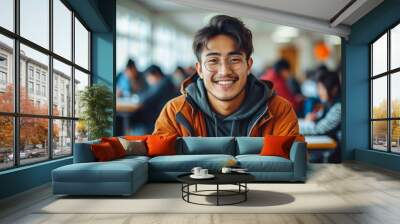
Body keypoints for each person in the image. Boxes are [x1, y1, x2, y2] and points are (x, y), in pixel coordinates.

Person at [152, 15, 303, 140]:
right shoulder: (176, 112)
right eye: (213, 61)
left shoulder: (279, 110)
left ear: (249, 65)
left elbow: (292, 167)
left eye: (234, 60)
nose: (224, 71)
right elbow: (160, 170)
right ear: (199, 70)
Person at [300, 70, 341, 138]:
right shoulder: (328, 103)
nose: (319, 92)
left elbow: (319, 129)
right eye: (318, 88)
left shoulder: (338, 107)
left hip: (332, 146)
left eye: (322, 88)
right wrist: (315, 119)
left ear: (334, 89)